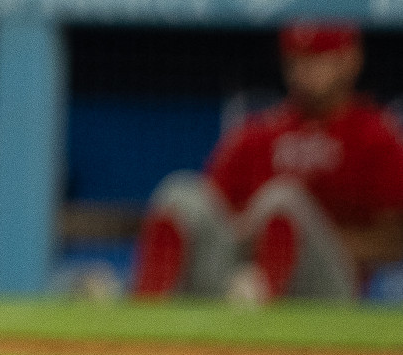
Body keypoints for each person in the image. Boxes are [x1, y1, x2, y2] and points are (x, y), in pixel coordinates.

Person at [135, 23, 403, 302]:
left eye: (317, 59)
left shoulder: (375, 135)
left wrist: (309, 240)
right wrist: (254, 235)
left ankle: (266, 302)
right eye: (296, 60)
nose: (304, 72)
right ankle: (145, 312)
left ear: (350, 60)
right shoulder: (258, 133)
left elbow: (394, 242)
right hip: (238, 284)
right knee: (179, 193)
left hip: (325, 291)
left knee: (282, 200)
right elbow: (213, 215)